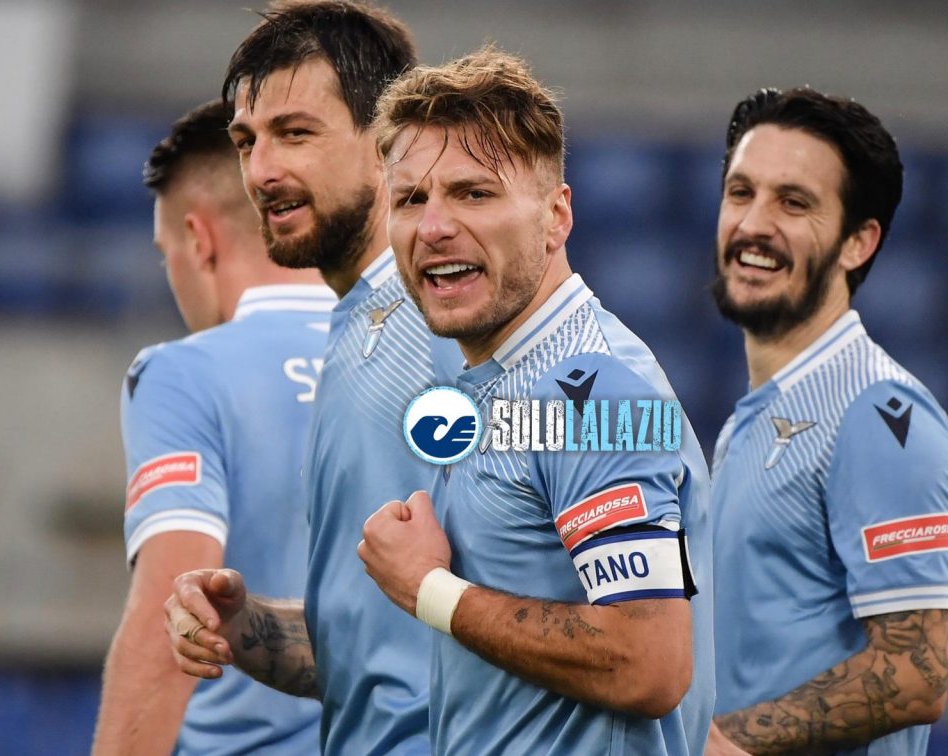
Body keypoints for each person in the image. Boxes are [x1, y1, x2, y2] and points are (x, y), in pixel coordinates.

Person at [356, 47, 715, 755]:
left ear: (556, 217)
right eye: (411, 199)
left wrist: (429, 588)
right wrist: (251, 630)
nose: (433, 227)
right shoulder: (499, 382)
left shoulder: (588, 389)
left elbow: (648, 662)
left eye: (474, 193)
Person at [162, 3, 460, 753]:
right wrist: (245, 625)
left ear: (388, 142)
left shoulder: (450, 329)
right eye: (246, 142)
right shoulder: (356, 331)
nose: (262, 172)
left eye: (295, 133)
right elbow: (376, 647)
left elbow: (574, 607)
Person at [706, 87, 948, 755]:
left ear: (857, 242)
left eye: (794, 203)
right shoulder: (751, 421)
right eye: (741, 192)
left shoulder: (878, 415)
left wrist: (720, 744)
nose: (754, 224)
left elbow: (920, 671)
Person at [92, 98, 333, 755]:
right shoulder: (429, 354)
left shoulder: (184, 373)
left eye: (166, 252)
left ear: (198, 241)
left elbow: (170, 620)